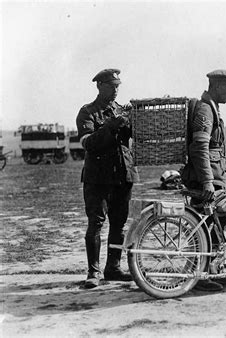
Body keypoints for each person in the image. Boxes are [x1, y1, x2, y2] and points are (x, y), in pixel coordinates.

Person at [76, 69, 139, 288]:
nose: (116, 89)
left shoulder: (121, 110)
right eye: (111, 86)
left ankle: (113, 268)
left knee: (119, 224)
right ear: (99, 86)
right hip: (98, 178)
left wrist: (133, 119)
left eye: (117, 86)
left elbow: (134, 138)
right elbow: (88, 144)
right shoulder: (88, 112)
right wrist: (112, 126)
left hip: (123, 175)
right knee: (96, 223)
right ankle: (93, 272)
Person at [181, 69, 226, 291]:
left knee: (217, 225)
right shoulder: (205, 110)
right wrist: (207, 181)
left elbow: (216, 148)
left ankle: (214, 270)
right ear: (217, 86)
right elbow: (199, 148)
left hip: (216, 174)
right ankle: (200, 277)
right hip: (206, 177)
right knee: (204, 227)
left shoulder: (212, 108)